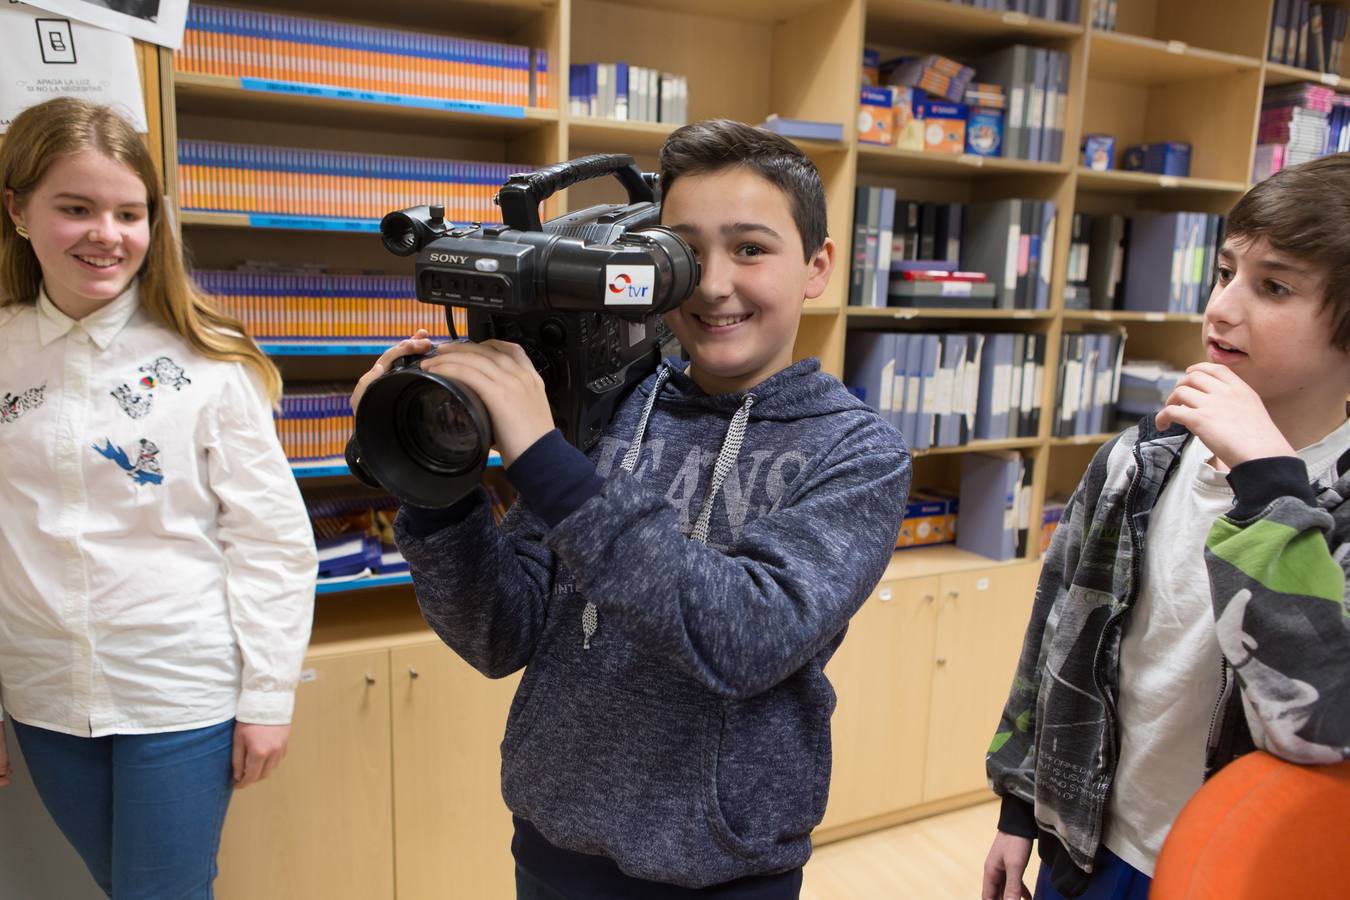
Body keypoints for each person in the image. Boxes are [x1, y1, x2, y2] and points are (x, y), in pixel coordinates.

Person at [350, 119, 911, 898]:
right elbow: (498, 632)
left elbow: (746, 638)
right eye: (683, 252)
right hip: (550, 847)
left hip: (720, 871)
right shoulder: (609, 406)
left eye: (750, 249)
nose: (714, 285)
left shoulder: (857, 455)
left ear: (816, 267)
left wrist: (547, 460)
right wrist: (437, 491)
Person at [982, 152, 1350, 900]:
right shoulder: (1136, 460)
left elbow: (1321, 724)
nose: (1221, 307)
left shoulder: (1333, 501)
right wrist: (1019, 805)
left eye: (1273, 286)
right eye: (1225, 272)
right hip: (1084, 842)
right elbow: (1056, 633)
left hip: (1240, 870)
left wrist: (1268, 487)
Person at [0, 97, 317, 898]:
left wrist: (268, 697)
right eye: (76, 208)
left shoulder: (209, 365)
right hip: (41, 693)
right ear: (18, 210)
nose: (106, 234)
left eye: (129, 212)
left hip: (179, 690)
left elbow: (271, 542)